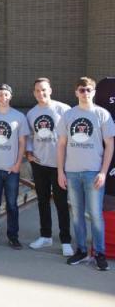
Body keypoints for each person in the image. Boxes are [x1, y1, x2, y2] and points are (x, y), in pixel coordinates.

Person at [57, 77, 115, 271]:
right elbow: (62, 145)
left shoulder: (102, 114)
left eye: (89, 89)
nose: (85, 93)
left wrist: (103, 172)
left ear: (94, 92)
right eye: (82, 90)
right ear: (76, 92)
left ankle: (99, 253)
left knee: (96, 215)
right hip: (72, 172)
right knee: (77, 215)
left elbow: (110, 146)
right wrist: (60, 172)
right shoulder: (68, 115)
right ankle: (81, 250)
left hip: (93, 173)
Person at [26, 78, 73, 256]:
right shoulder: (31, 113)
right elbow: (30, 137)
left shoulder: (63, 109)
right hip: (40, 164)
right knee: (42, 201)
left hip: (60, 165)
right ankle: (45, 236)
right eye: (37, 91)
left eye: (44, 90)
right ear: (34, 93)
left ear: (50, 90)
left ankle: (66, 240)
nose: (41, 94)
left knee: (61, 203)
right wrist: (29, 155)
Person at [0, 84, 29, 250]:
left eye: (6, 95)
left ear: (10, 97)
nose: (3, 98)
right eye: (0, 95)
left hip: (11, 170)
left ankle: (13, 236)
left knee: (12, 205)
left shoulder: (18, 117)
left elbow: (23, 142)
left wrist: (17, 164)